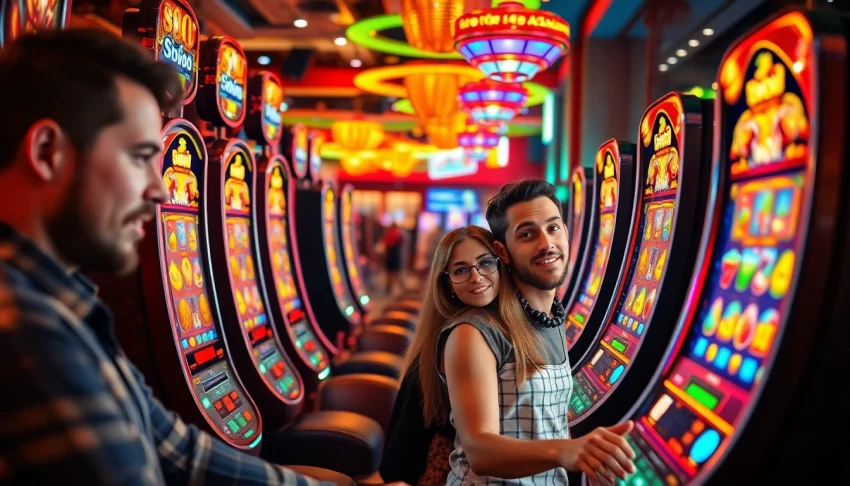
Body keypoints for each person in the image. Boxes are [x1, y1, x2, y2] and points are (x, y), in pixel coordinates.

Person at [0, 29, 337, 485]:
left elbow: (177, 449)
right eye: (141, 158)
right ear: (47, 153)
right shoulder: (26, 327)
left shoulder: (64, 302)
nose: (161, 191)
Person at [391, 181, 637, 485]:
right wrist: (565, 451)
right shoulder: (475, 332)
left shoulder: (552, 319)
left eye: (553, 227)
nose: (546, 243)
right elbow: (480, 451)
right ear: (502, 252)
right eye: (527, 234)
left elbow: (549, 428)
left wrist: (591, 461)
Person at [380, 221, 405, 295]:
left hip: (390, 255)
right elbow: (402, 245)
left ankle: (389, 290)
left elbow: (385, 244)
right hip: (396, 255)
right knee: (396, 274)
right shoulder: (398, 234)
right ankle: (402, 289)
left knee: (389, 274)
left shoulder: (388, 234)